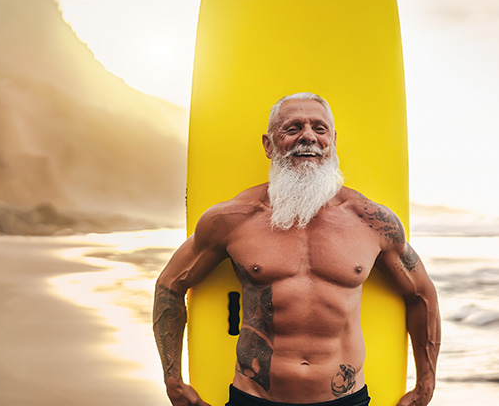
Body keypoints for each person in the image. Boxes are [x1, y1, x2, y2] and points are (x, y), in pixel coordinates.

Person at [153, 92, 441, 406]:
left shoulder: (372, 221)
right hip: (255, 398)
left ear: (333, 140)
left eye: (320, 128)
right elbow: (170, 285)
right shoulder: (232, 219)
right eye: (293, 129)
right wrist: (173, 382)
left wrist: (425, 384)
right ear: (268, 144)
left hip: (345, 399)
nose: (308, 136)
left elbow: (421, 294)